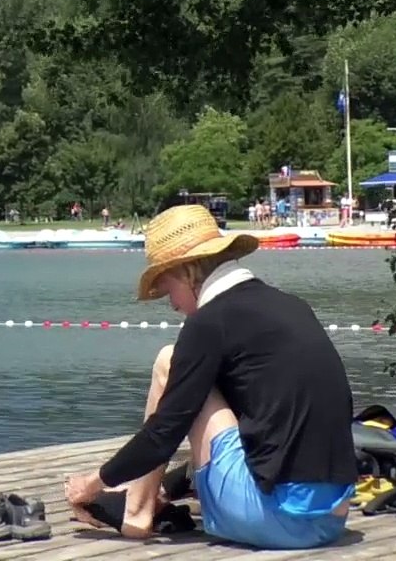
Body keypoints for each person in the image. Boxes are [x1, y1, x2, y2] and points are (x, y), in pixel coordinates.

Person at [64, 205, 357, 550]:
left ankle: (137, 512)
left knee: (167, 361)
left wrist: (92, 483)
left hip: (279, 521)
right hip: (333, 518)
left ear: (188, 272)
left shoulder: (208, 322)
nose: (171, 304)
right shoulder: (291, 305)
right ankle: (149, 496)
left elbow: (164, 432)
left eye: (168, 288)